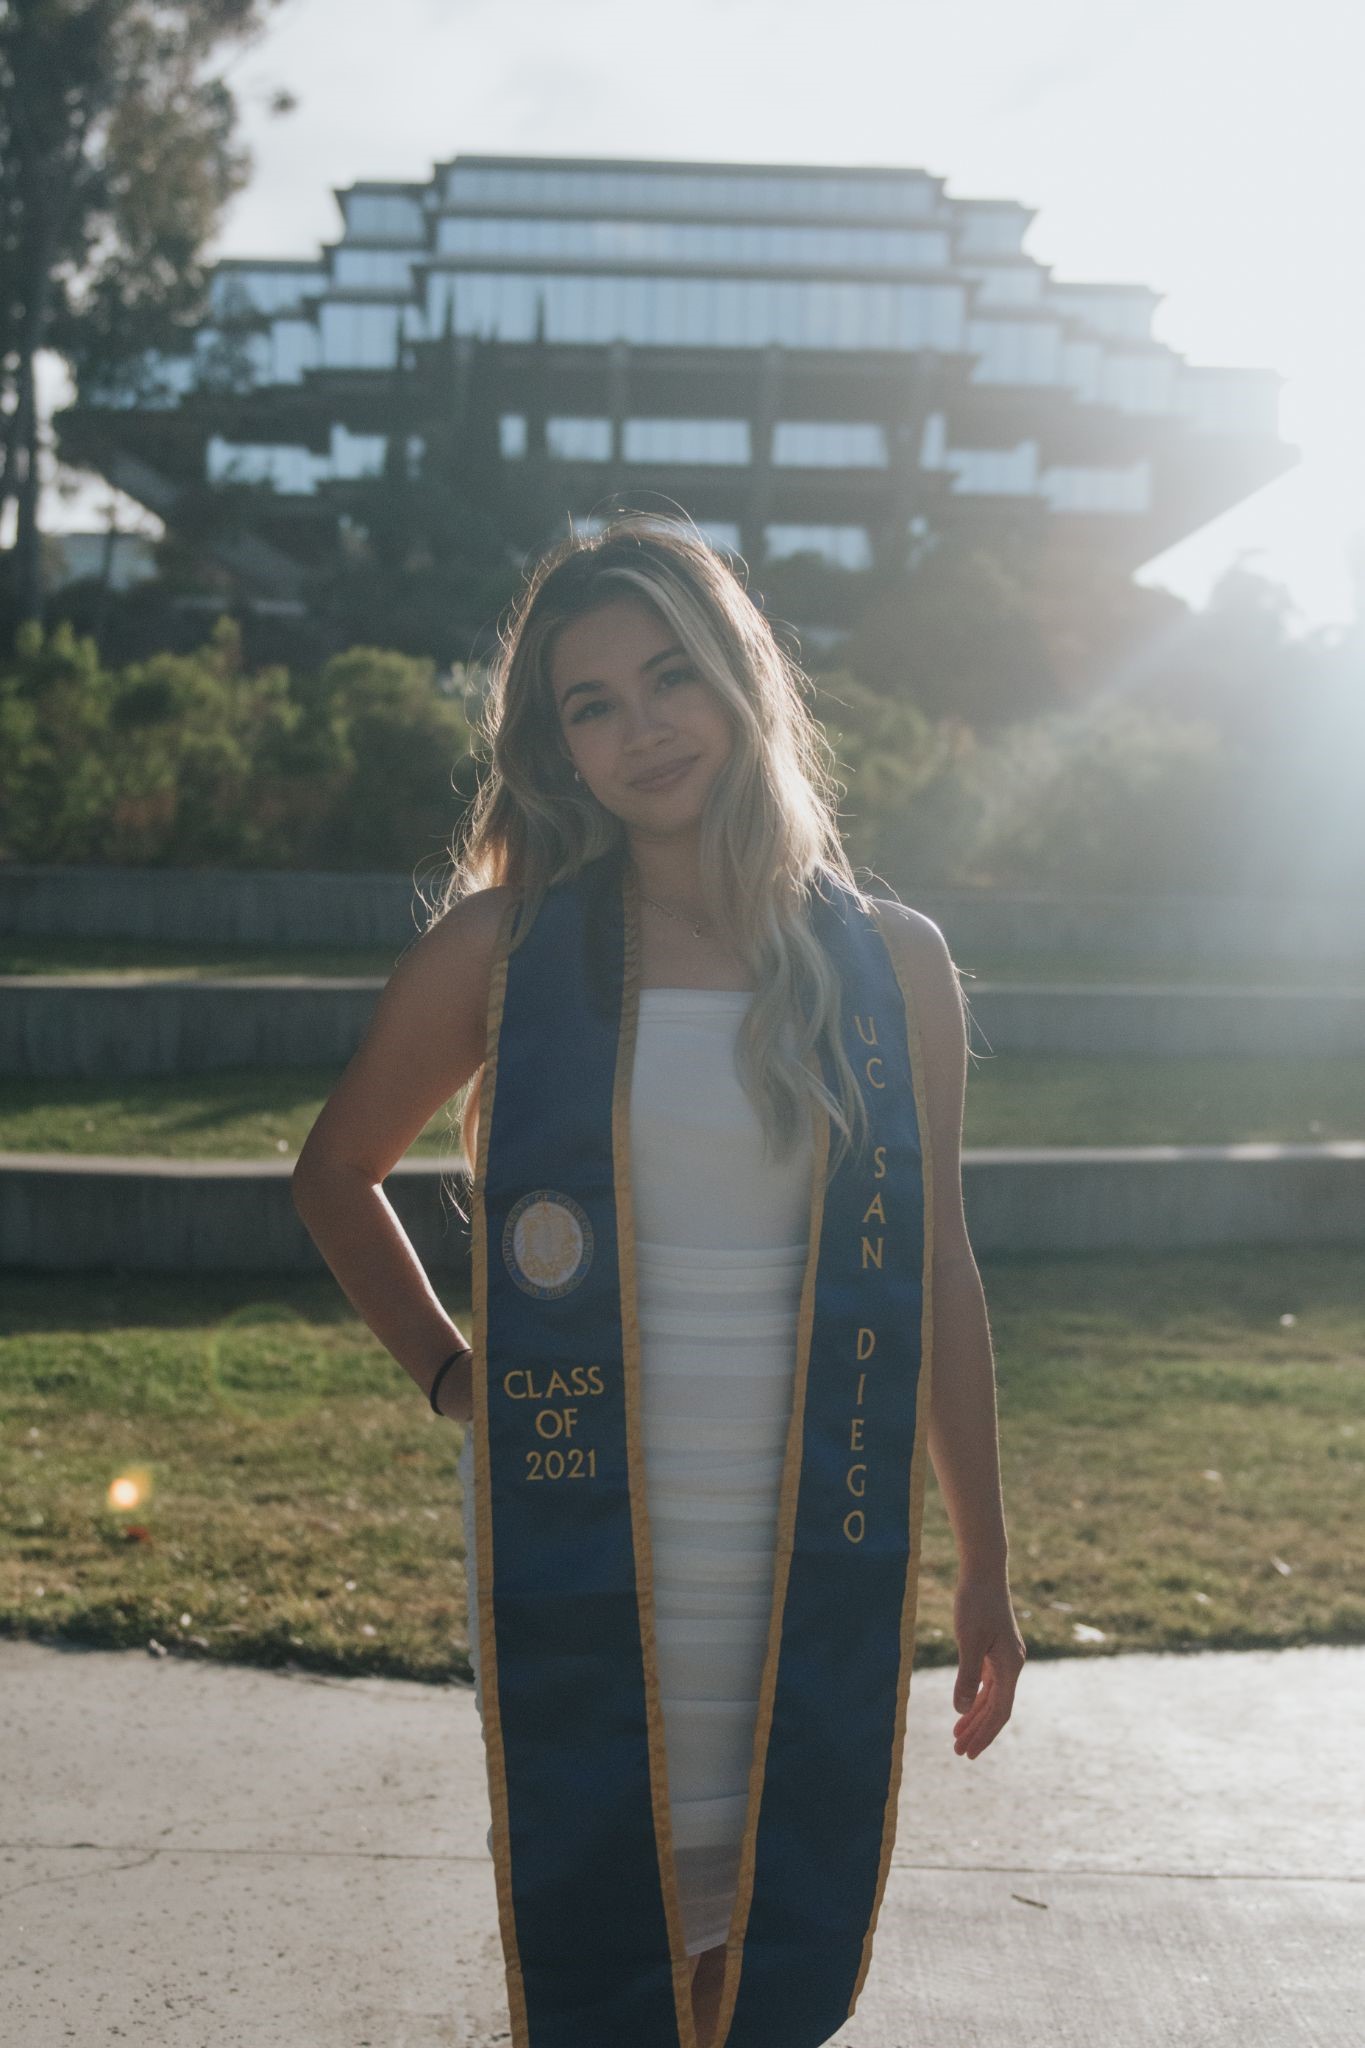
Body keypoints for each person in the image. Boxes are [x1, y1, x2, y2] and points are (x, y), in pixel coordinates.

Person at [293, 514, 1026, 2048]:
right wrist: (451, 1377)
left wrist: (982, 1565)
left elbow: (936, 1262)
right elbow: (334, 1171)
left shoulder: (891, 967)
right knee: (598, 1945)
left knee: (765, 1942)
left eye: (669, 677)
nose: (642, 730)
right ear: (555, 749)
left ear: (741, 679)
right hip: (588, 1518)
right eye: (591, 704)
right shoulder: (508, 952)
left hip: (802, 1522)